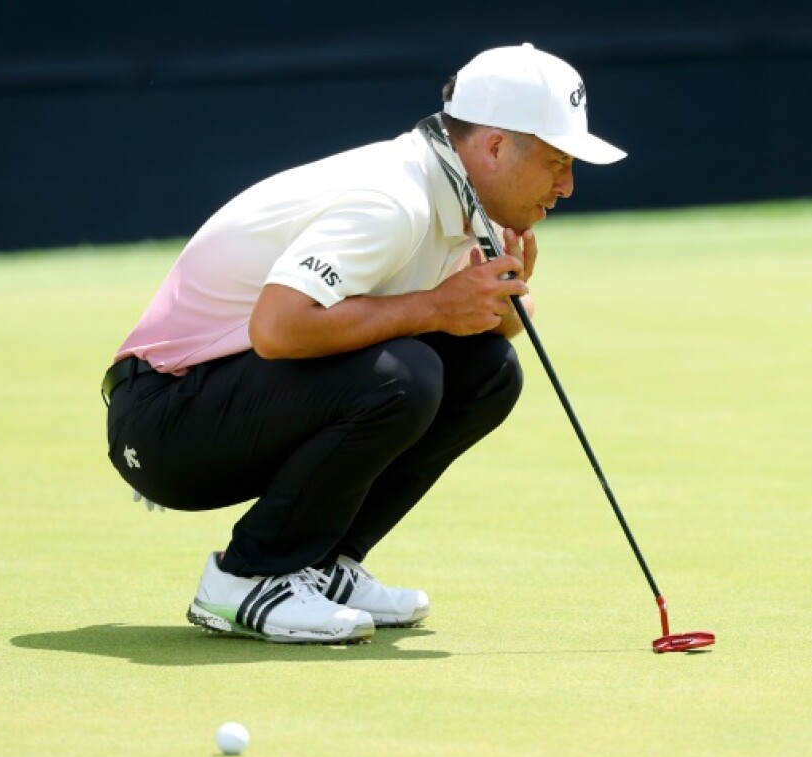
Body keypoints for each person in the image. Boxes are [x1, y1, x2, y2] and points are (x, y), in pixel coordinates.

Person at [100, 43, 626, 644]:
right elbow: (276, 328)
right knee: (402, 376)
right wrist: (435, 306)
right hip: (164, 422)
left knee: (488, 371)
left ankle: (320, 565)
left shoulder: (461, 193)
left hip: (223, 402)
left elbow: (497, 327)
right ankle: (248, 578)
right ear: (497, 147)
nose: (568, 186)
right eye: (558, 161)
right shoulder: (392, 200)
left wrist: (501, 299)